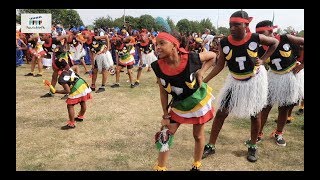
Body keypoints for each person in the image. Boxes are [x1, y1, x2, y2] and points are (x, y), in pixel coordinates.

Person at [201, 10, 279, 162]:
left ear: (246, 25)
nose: (232, 28)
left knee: (255, 114)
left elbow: (274, 42)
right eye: (230, 25)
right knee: (222, 112)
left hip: (254, 80)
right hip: (234, 80)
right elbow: (219, 65)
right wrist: (205, 80)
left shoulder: (256, 38)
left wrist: (263, 59)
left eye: (236, 25)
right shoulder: (224, 42)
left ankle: (253, 146)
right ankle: (211, 145)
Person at [151, 31, 216, 171]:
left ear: (174, 45)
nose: (157, 47)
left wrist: (201, 72)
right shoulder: (156, 66)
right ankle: (160, 167)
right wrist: (165, 113)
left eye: (162, 43)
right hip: (178, 104)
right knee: (166, 135)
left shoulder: (192, 58)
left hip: (197, 102)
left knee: (198, 135)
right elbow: (163, 90)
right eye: (157, 44)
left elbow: (213, 56)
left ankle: (196, 165)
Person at [255, 20, 304, 147]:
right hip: (273, 77)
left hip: (289, 77)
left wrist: (302, 65)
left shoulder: (285, 38)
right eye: (257, 33)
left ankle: (279, 133)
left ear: (271, 31)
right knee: (265, 107)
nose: (259, 35)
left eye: (261, 32)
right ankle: (258, 133)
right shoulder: (260, 48)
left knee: (284, 108)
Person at [49, 58, 92, 130]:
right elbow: (76, 67)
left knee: (70, 105)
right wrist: (77, 76)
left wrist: (55, 91)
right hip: (83, 84)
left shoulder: (61, 77)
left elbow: (67, 91)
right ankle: (80, 116)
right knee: (82, 101)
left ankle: (71, 124)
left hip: (76, 88)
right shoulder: (69, 69)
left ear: (59, 68)